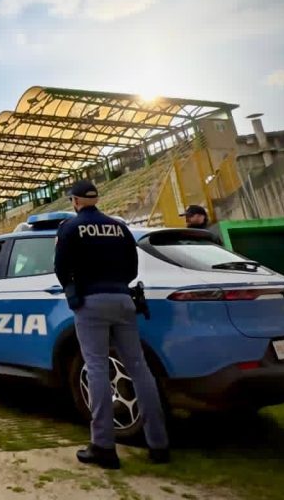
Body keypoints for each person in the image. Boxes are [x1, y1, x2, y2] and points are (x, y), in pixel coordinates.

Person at [53, 179, 169, 469]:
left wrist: (73, 293)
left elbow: (61, 268)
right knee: (139, 368)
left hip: (91, 302)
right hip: (122, 299)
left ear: (75, 201)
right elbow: (132, 268)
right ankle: (159, 443)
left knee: (96, 368)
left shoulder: (70, 228)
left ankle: (104, 446)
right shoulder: (119, 227)